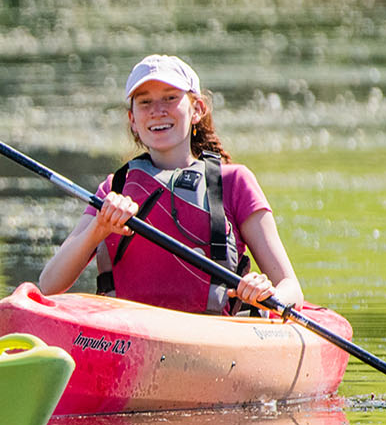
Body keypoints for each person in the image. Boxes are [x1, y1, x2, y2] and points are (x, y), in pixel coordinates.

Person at [35, 54, 302, 316]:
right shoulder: (114, 188)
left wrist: (264, 292)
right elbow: (49, 285)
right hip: (125, 333)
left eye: (170, 98)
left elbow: (292, 289)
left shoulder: (234, 182)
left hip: (211, 334)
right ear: (132, 120)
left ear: (197, 109)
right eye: (145, 102)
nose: (157, 111)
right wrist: (99, 228)